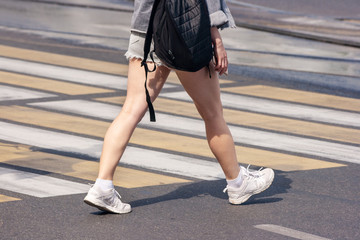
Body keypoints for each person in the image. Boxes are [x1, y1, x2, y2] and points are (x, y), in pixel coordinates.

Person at [84, 0, 274, 214]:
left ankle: (103, 186)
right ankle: (238, 183)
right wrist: (215, 36)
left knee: (130, 110)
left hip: (145, 28)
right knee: (212, 113)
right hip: (187, 29)